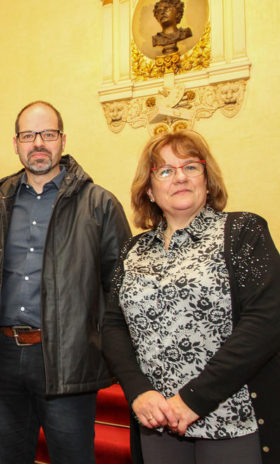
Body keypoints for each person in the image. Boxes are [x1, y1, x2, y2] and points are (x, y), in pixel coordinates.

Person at [102, 130, 280, 464]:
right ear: (149, 191)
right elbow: (113, 326)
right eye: (165, 171)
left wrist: (194, 400)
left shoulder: (242, 232)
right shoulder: (134, 249)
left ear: (208, 181)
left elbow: (266, 322)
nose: (180, 177)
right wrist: (137, 390)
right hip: (158, 422)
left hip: (229, 418)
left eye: (191, 167)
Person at [0, 100, 131, 464]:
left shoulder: (100, 204)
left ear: (62, 140)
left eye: (47, 134)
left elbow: (120, 288)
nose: (38, 143)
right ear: (16, 143)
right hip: (5, 358)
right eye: (29, 135)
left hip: (67, 358)